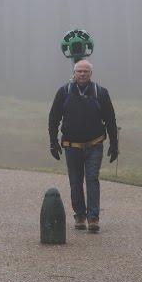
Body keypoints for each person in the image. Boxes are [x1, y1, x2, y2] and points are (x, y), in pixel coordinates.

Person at [48, 59, 118, 233]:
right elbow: (53, 118)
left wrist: (114, 144)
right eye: (79, 71)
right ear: (74, 73)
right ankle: (79, 215)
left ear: (91, 74)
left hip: (95, 144)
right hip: (71, 146)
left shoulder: (100, 92)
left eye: (85, 71)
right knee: (75, 182)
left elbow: (110, 119)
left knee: (92, 180)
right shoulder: (63, 92)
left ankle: (93, 218)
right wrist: (53, 142)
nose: (82, 74)